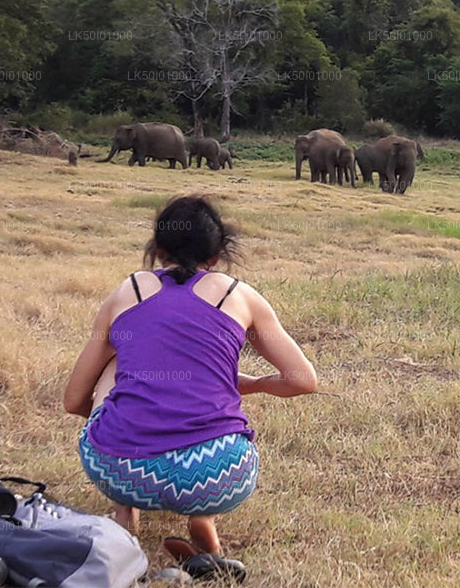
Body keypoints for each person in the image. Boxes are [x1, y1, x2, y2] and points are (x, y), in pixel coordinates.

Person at [64, 195, 316, 583]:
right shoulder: (239, 296)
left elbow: (72, 400)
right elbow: (303, 380)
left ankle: (123, 511)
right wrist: (252, 385)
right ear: (216, 257)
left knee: (115, 364)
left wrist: (114, 419)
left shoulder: (127, 291)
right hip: (222, 476)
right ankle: (203, 519)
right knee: (203, 419)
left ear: (158, 250)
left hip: (116, 469)